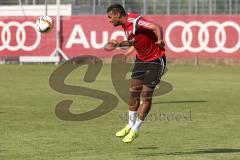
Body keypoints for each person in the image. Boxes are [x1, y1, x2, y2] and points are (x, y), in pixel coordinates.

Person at [107, 4, 166, 143]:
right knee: (133, 93)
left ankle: (135, 130)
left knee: (146, 96)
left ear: (117, 14)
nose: (109, 20)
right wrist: (119, 44)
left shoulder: (135, 21)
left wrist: (160, 40)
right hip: (141, 60)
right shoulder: (126, 27)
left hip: (155, 61)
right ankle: (129, 125)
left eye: (110, 17)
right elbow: (136, 42)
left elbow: (157, 27)